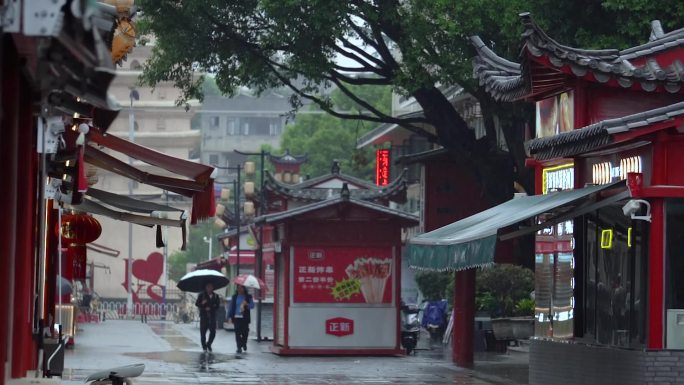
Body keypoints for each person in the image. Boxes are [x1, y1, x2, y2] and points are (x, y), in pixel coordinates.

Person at [228, 284, 254, 354]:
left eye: (241, 288)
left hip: (245, 317)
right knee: (237, 333)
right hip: (236, 317)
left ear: (244, 289)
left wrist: (246, 304)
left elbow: (252, 306)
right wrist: (230, 317)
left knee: (245, 332)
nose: (239, 289)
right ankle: (239, 347)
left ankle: (244, 343)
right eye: (238, 288)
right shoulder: (235, 297)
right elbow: (231, 307)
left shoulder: (248, 297)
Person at [195, 282, 220, 352]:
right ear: (206, 287)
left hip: (212, 317)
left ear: (213, 288)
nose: (209, 288)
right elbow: (197, 304)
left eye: (211, 287)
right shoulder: (202, 295)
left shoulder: (215, 296)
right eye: (208, 287)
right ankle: (204, 347)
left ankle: (209, 344)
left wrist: (212, 308)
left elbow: (217, 306)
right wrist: (202, 304)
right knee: (203, 333)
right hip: (204, 317)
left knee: (213, 332)